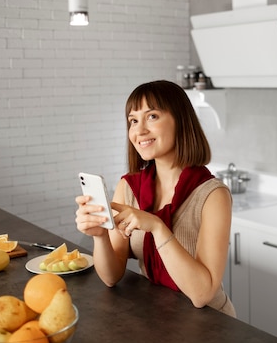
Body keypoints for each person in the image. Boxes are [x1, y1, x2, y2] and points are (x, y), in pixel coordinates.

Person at [75, 80, 235, 316]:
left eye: (152, 117)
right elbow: (111, 277)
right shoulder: (128, 188)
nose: (139, 131)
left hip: (210, 324)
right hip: (157, 317)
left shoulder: (213, 195)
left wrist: (158, 228)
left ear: (181, 120)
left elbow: (203, 295)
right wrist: (100, 237)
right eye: (133, 121)